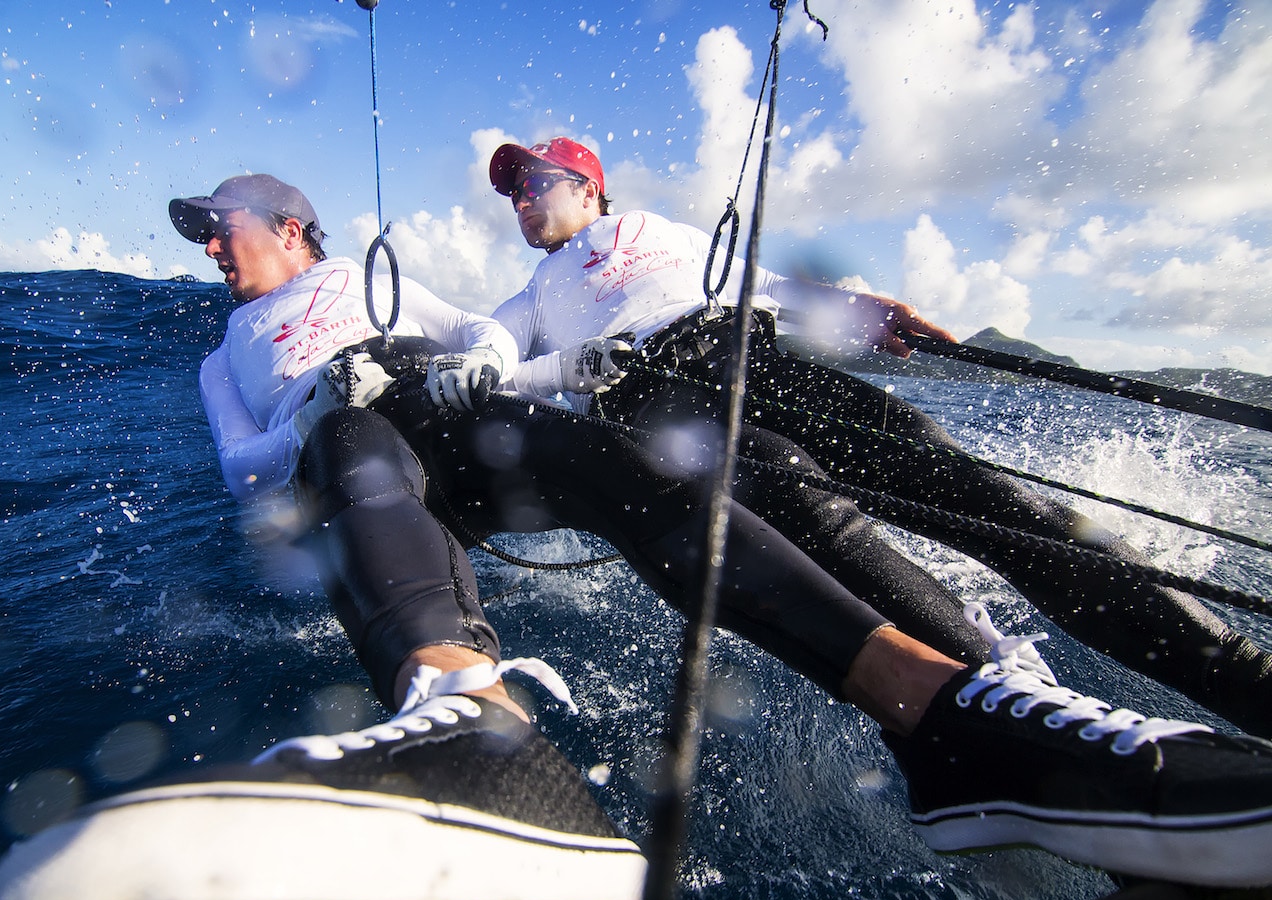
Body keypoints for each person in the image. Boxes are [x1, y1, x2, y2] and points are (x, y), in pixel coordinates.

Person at [0, 172, 1272, 900]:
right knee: (381, 440)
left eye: (219, 222)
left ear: (289, 223)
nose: (207, 244)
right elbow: (253, 460)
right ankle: (475, 727)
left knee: (939, 490)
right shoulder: (242, 346)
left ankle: (1049, 713)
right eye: (194, 231)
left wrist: (470, 360)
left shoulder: (622, 238)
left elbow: (498, 341)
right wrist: (343, 395)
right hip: (402, 428)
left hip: (670, 369)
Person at [486, 135, 1272, 738]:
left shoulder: (664, 230)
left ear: (587, 186)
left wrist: (864, 310)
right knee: (793, 488)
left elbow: (758, 283)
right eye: (512, 192)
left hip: (754, 357)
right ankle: (1021, 703)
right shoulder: (533, 293)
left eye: (532, 182)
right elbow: (488, 359)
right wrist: (547, 367)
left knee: (970, 486)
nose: (520, 199)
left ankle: (1243, 677)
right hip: (659, 403)